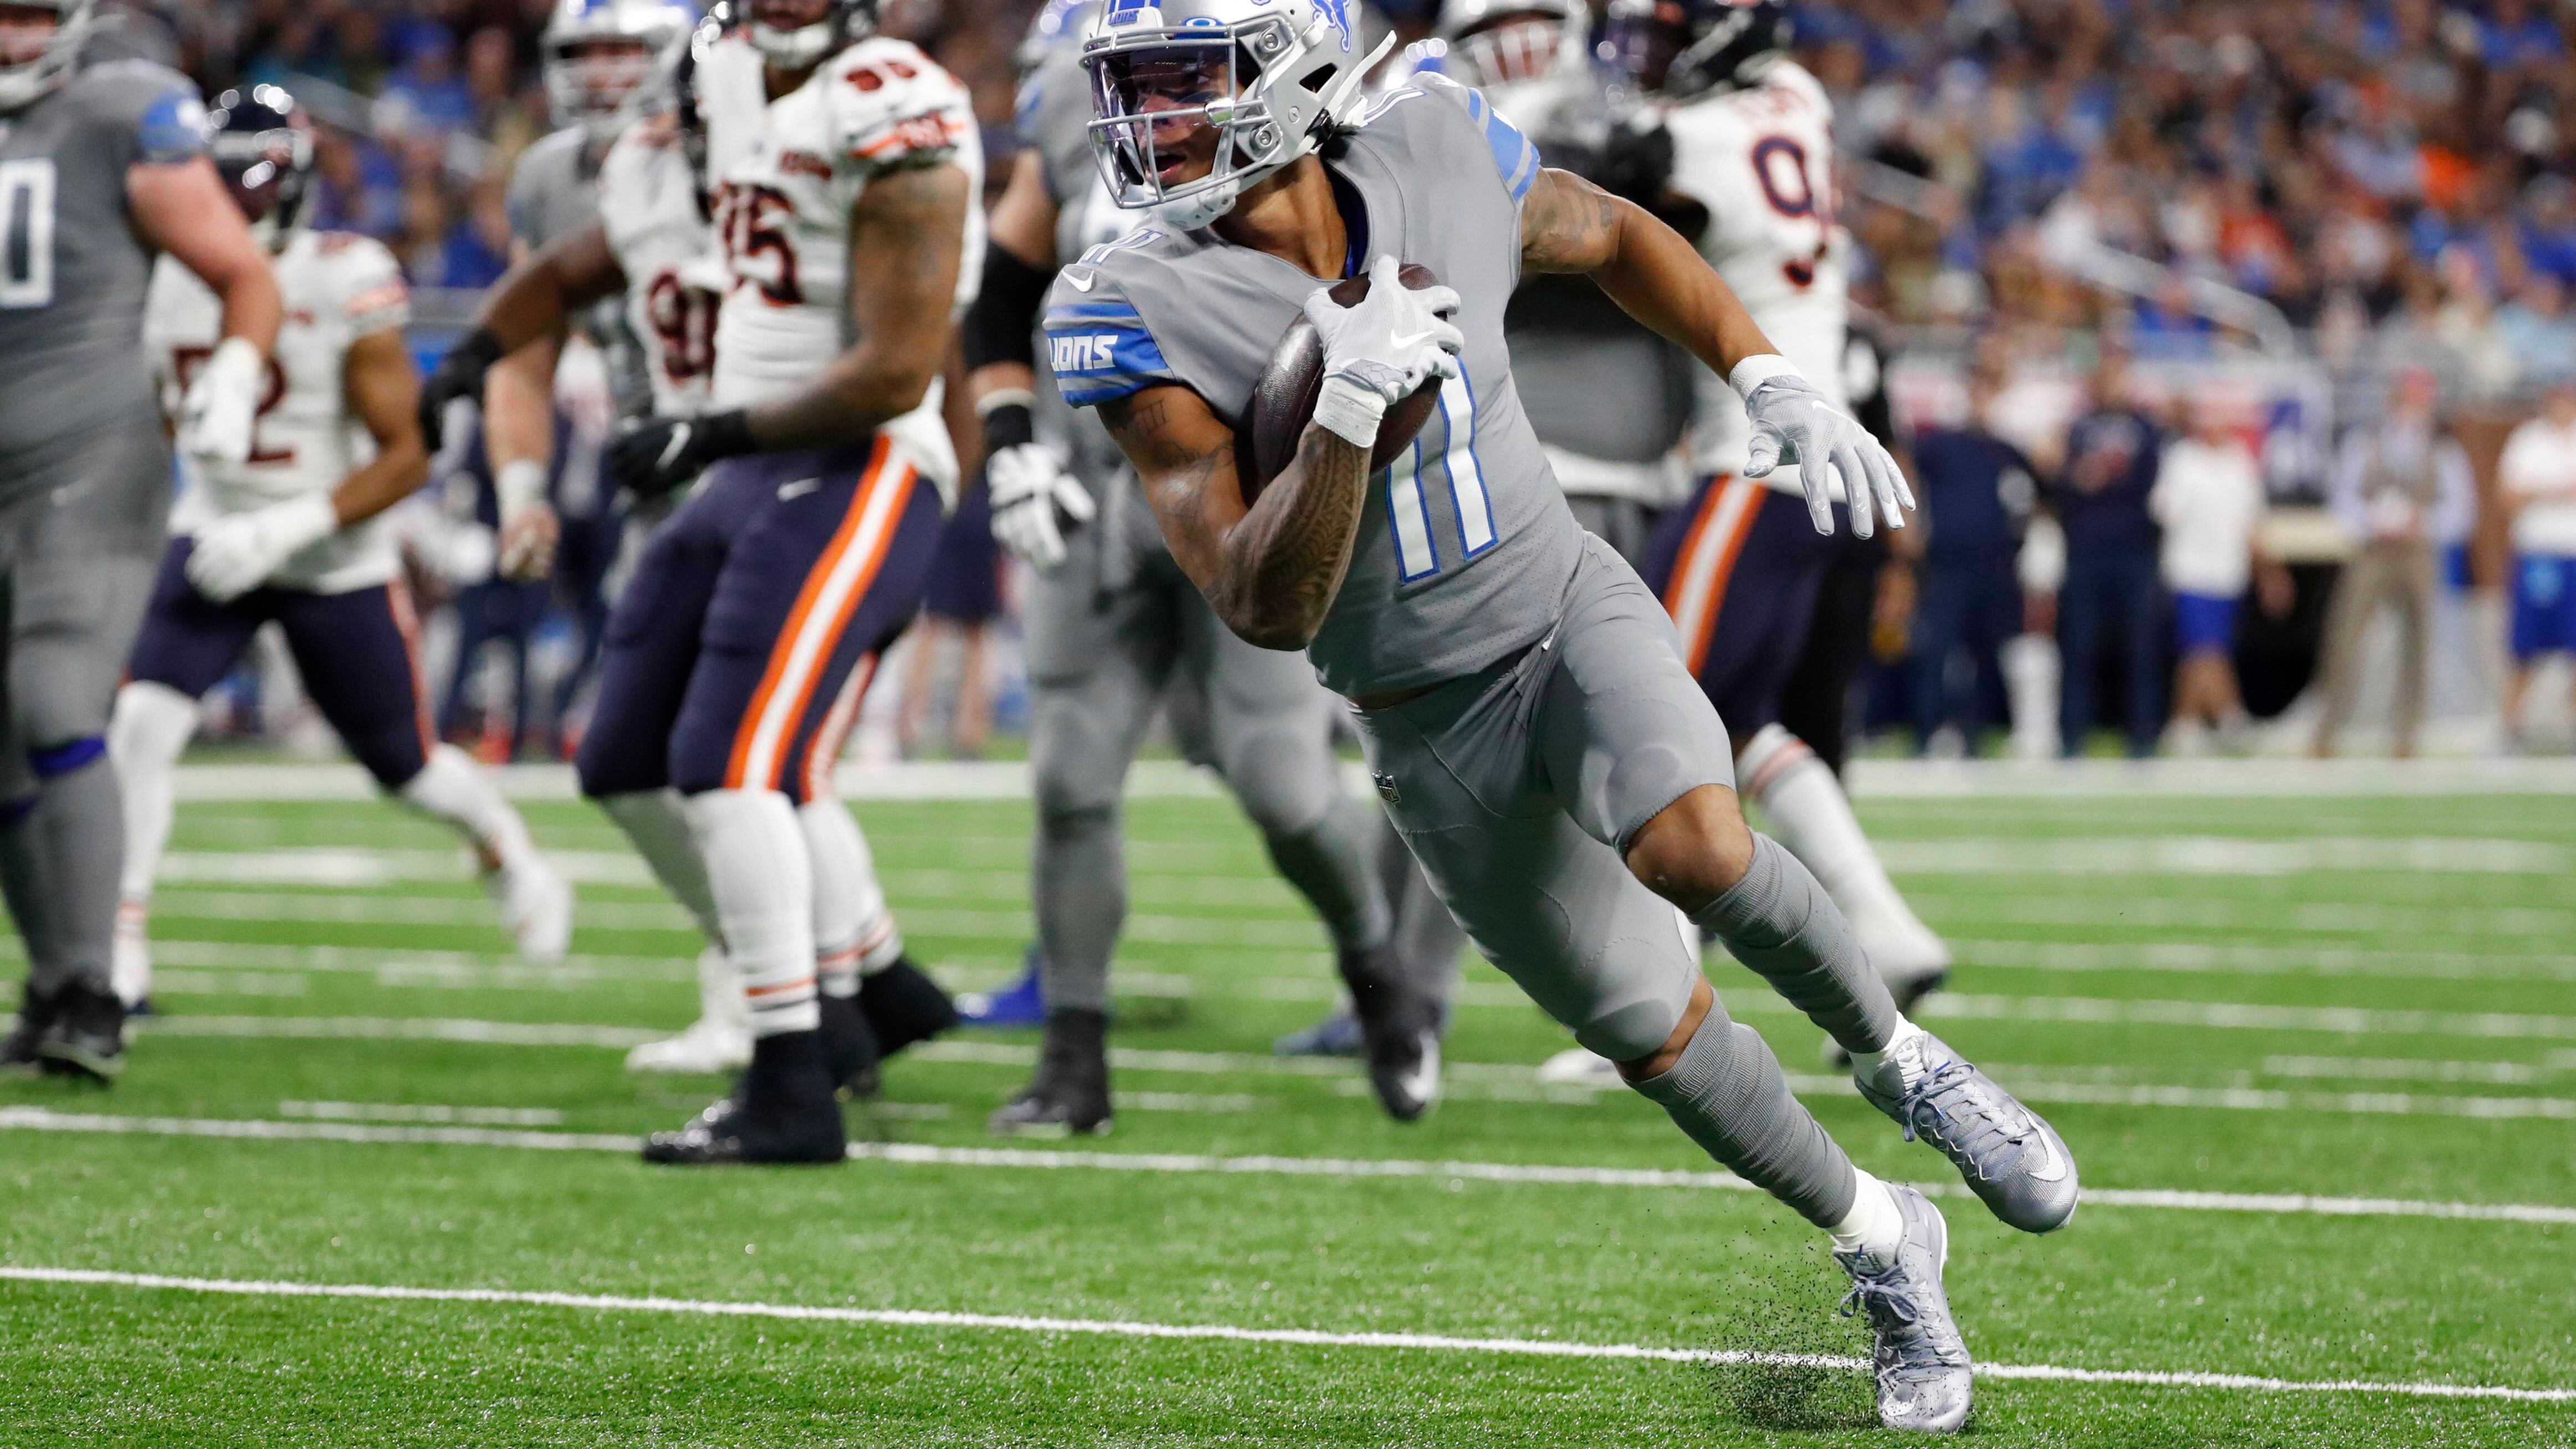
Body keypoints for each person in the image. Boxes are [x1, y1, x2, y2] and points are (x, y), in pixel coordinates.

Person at [1046, 0, 2079, 1429]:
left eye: (1179, 82)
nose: (1146, 122)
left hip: (1560, 602)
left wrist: (1768, 376)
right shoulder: (1124, 304)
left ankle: (1906, 1064)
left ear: (1290, 69)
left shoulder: (1434, 143)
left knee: (1694, 846)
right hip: (1419, 717)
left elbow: (1617, 235)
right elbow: (1257, 601)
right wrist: (1341, 418)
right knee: (1651, 1032)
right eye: (1132, 89)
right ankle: (1884, 1237)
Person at [428, 6, 956, 1085]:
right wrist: (478, 355)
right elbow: (564, 278)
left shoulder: (838, 139)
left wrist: (714, 432)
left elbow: (898, 355)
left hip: (809, 473)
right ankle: (863, 982)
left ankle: (809, 1013)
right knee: (653, 758)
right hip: (690, 482)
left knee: (757, 763)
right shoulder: (632, 172)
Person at [959, 0, 1409, 1133]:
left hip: (1251, 491)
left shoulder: (1312, 87)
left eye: (1182, 72)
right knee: (1069, 779)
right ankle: (1073, 1054)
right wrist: (1011, 444)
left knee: (1282, 784)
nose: (1152, 101)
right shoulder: (1080, 81)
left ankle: (1375, 965)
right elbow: (1004, 287)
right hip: (1096, 488)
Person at [111, 87, 573, 1014]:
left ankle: (501, 840)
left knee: (406, 768)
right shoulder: (160, 275)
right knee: (139, 730)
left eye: (250, 185)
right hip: (215, 533)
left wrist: (289, 528)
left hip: (331, 550)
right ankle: (116, 955)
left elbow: (408, 455)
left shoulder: (341, 274)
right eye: (218, 185)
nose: (234, 204)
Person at [1624, 0, 1949, 1018]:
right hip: (1814, 461)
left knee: (1652, 713)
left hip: (1754, 460)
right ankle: (1888, 930)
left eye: (1666, 39)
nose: (1647, 60)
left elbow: (1602, 193)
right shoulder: (1799, 97)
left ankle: (1658, 990)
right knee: (1741, 721)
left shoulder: (1694, 144)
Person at [0, 0, 283, 1082]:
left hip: (85, 456)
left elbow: (242, 273)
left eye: (33, 13)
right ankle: (53, 981)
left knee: (55, 699)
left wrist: (235, 371)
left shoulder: (123, 106)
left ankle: (97, 990)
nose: (14, 38)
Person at [2311, 367, 2476, 758]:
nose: (2413, 409)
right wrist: (2371, 521)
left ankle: (2406, 735)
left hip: (2418, 554)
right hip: (2372, 553)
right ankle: (2327, 732)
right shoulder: (2364, 443)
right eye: (2407, 401)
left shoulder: (2444, 451)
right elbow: (2341, 499)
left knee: (2417, 644)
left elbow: (2461, 514)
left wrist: (2422, 522)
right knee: (2345, 638)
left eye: (2420, 402)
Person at [1906, 357, 2039, 754]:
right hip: (1947, 563)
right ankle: (1926, 734)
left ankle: (1972, 735)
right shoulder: (1941, 443)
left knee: (1985, 652)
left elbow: (2040, 490)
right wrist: (1911, 526)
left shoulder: (2008, 449)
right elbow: (1905, 470)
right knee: (1937, 649)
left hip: (1996, 563)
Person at [2051, 344, 2166, 757]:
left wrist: (2102, 477)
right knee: (2078, 646)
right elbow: (2060, 484)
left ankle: (2143, 737)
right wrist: (2078, 477)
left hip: (2133, 551)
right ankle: (2071, 738)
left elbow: (2150, 482)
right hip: (2086, 551)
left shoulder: (2147, 428)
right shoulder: (2078, 428)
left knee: (2141, 648)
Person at [2148, 394, 2269, 754]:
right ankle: (2230, 716)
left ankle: (2183, 724)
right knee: (2206, 647)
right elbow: (2163, 511)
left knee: (2203, 651)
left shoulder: (2240, 462)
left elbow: (2251, 522)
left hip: (2228, 572)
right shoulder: (2181, 459)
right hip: (2190, 571)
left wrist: (2268, 571)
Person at [2499, 379, 2576, 747]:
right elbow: (2507, 496)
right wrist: (2552, 492)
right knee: (2524, 650)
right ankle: (2510, 729)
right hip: (2537, 557)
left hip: (2572, 556)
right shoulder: (2527, 439)